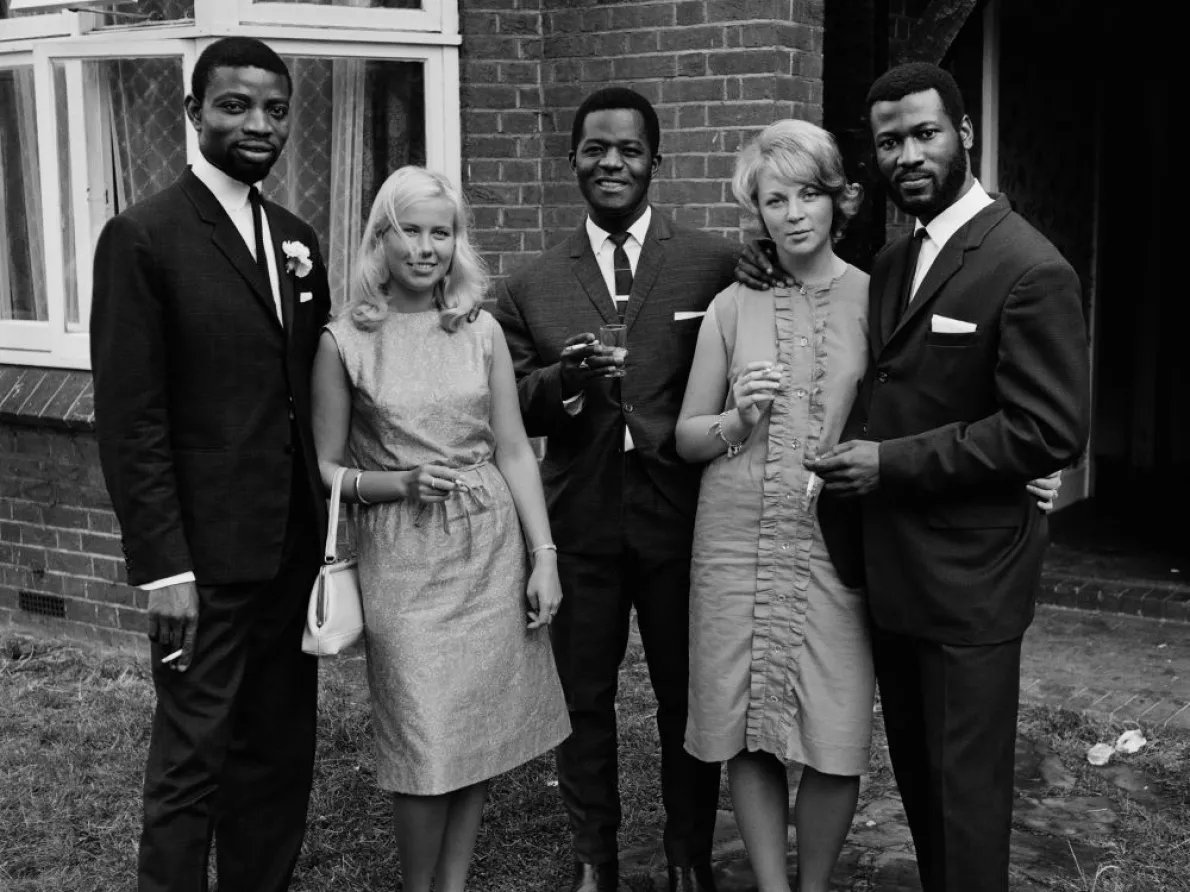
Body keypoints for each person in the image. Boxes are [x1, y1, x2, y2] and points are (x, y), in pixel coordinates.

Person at [803, 63, 1090, 892]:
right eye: (889, 142)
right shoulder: (895, 261)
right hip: (893, 570)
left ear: (963, 133)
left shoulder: (1029, 266)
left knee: (966, 805)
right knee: (926, 792)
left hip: (972, 580)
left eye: (924, 133)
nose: (906, 155)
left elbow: (1048, 429)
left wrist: (890, 464)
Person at [90, 37, 330, 892]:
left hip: (290, 551)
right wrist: (165, 569)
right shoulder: (143, 238)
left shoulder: (298, 241)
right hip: (203, 565)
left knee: (277, 757)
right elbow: (131, 419)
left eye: (274, 108)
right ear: (193, 113)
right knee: (193, 765)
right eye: (234, 104)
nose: (258, 123)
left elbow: (313, 390)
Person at [491, 86, 741, 892]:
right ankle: (594, 857)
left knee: (686, 698)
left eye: (629, 150)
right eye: (595, 149)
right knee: (584, 701)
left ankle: (686, 857)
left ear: (655, 162)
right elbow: (508, 399)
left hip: (682, 517)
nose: (612, 163)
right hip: (582, 519)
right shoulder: (530, 281)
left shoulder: (711, 263)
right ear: (572, 161)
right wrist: (562, 380)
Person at [310, 165, 570, 892]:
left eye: (441, 232)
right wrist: (399, 482)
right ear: (380, 239)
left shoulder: (478, 327)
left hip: (487, 546)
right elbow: (326, 471)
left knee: (474, 727)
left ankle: (452, 885)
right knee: (424, 736)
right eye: (410, 231)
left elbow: (515, 448)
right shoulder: (344, 341)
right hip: (402, 553)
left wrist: (542, 556)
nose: (426, 248)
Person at [676, 120, 873, 892]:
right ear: (755, 210)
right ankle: (772, 886)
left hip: (835, 540)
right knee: (748, 728)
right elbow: (688, 437)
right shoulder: (732, 305)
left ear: (836, 201)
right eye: (773, 199)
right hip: (735, 536)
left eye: (808, 196)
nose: (792, 214)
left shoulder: (879, 295)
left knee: (836, 730)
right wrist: (736, 419)